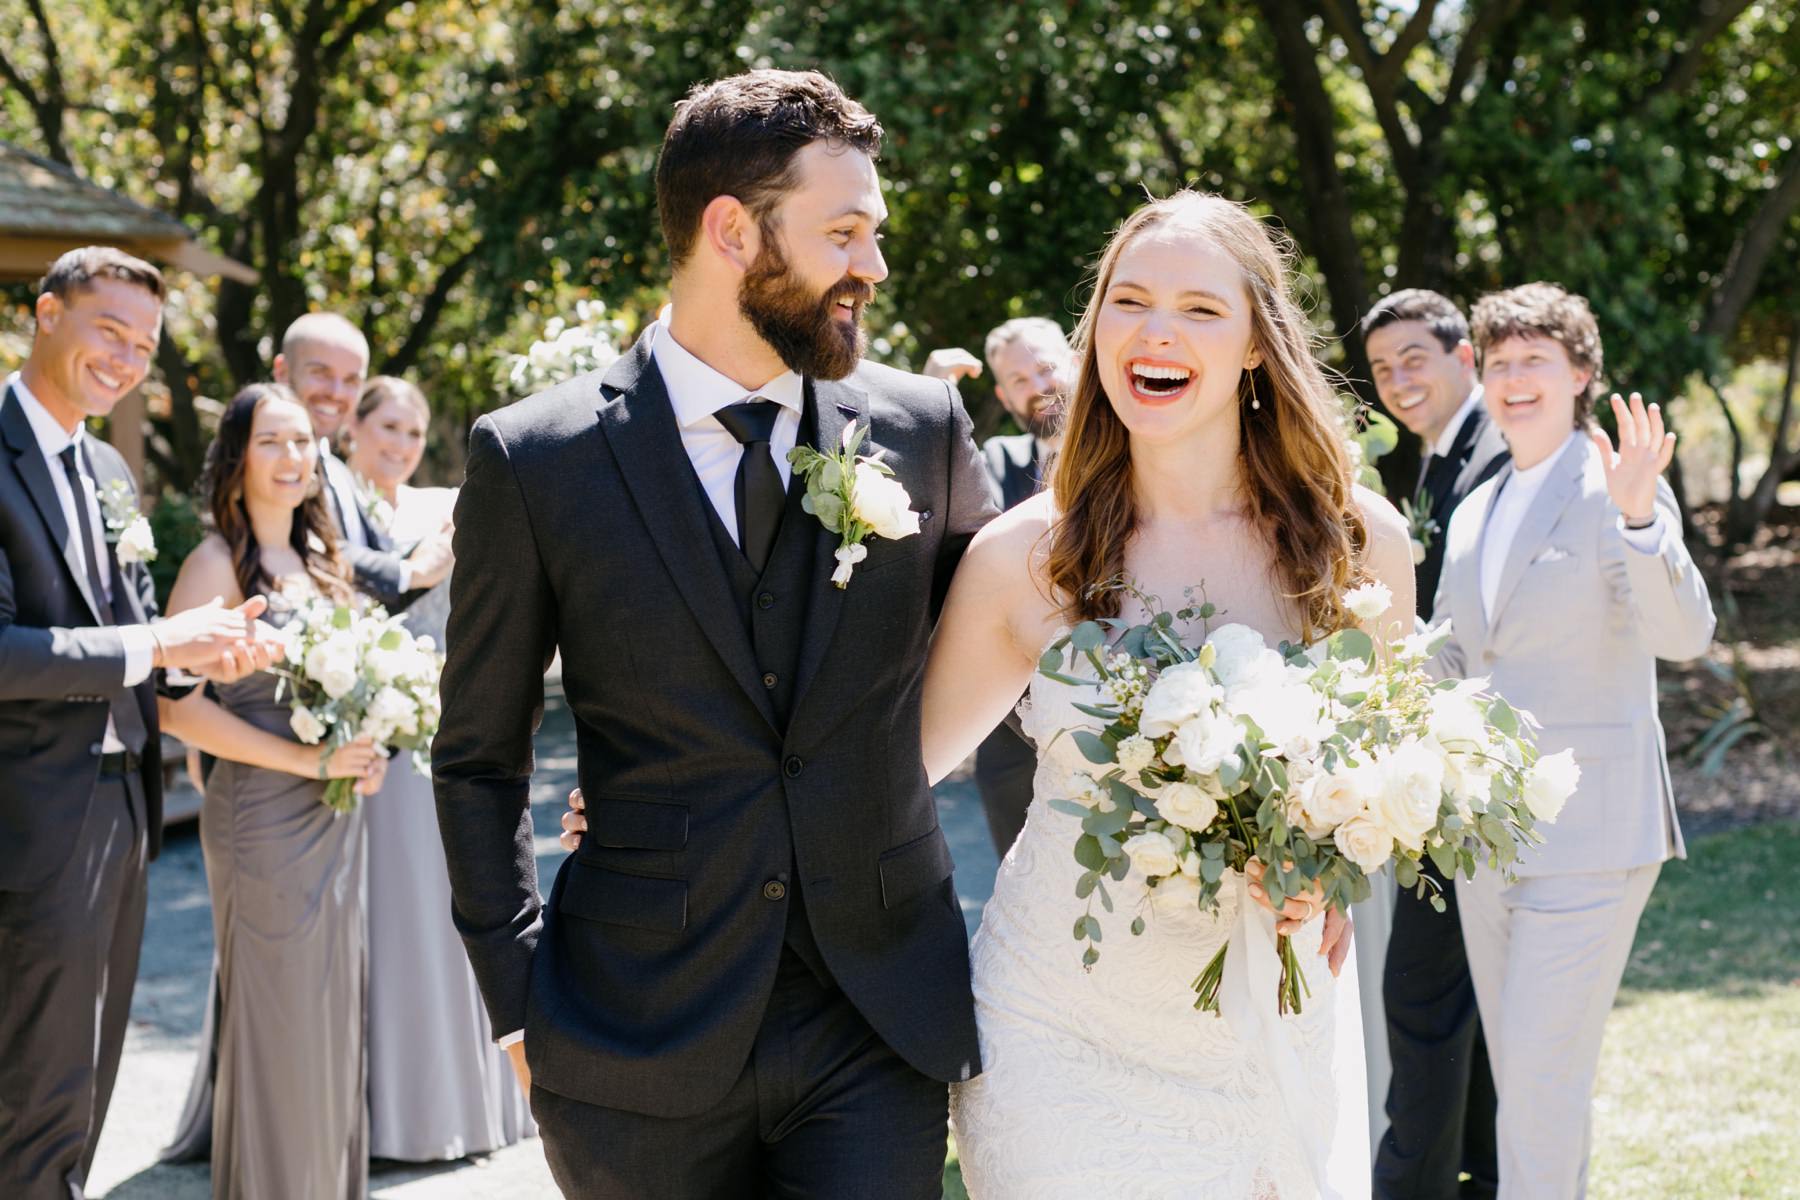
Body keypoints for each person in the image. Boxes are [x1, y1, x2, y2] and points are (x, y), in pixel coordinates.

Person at [433, 69, 998, 1199]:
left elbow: (1021, 652)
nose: (873, 269)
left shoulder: (919, 426)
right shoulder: (535, 458)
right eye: (845, 234)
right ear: (732, 231)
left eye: (874, 234)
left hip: (874, 1018)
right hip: (629, 1032)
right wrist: (516, 1003)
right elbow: (477, 757)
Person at [929, 190, 1409, 1198]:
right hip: (1055, 1032)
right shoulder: (1027, 556)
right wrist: (673, 798)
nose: (1155, 330)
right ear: (1095, 329)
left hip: (1266, 1029)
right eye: (1129, 300)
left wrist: (1334, 868)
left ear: (1253, 345)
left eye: (1199, 308)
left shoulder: (1358, 545)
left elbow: (1380, 781)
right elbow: (883, 778)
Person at [0, 247, 280, 1200]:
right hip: (30, 815)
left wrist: (209, 655)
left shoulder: (112, 468)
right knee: (31, 1084)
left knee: (88, 1076)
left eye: (144, 344)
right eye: (108, 330)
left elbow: (130, 639)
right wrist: (163, 640)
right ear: (46, 313)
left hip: (124, 815)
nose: (126, 358)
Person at [1433, 282, 1714, 1199]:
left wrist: (1640, 520)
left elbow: (1686, 635)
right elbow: (1446, 661)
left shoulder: (1615, 488)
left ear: (1580, 374)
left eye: (1536, 362)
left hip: (1591, 839)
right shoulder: (1475, 509)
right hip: (1484, 837)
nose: (1515, 379)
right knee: (1528, 1081)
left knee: (1542, 1085)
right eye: (1501, 361)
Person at [158, 383, 388, 1198]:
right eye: (271, 442)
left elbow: (356, 689)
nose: (293, 458)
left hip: (335, 817)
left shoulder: (327, 563)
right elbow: (174, 710)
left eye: (303, 443)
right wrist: (310, 766)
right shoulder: (215, 562)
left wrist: (368, 747)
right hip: (260, 820)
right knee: (282, 1023)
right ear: (237, 458)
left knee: (332, 1018)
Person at [345, 375, 536, 1161]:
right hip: (364, 743)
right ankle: (377, 1108)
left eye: (415, 433)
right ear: (355, 427)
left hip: (439, 734)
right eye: (387, 426)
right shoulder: (328, 512)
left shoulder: (445, 508)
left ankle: (458, 1102)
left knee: (449, 913)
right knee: (380, 926)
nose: (400, 444)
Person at [1362, 289, 1506, 1198]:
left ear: (1465, 354)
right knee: (1457, 1000)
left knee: (1422, 995)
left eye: (1414, 356)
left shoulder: (1498, 455)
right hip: (1449, 766)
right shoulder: (1434, 463)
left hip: (1474, 768)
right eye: (1382, 369)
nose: (1398, 379)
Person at [924, 317, 1074, 854]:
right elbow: (933, 528)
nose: (1036, 386)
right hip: (1014, 748)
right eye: (1017, 380)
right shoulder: (996, 462)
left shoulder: (1140, 448)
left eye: (1044, 367)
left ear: (1076, 355)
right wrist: (932, 396)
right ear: (1002, 394)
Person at [272, 312, 453, 611]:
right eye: (321, 373)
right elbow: (307, 545)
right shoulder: (263, 457)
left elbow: (373, 574)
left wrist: (438, 553)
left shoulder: (339, 473)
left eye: (351, 380)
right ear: (282, 371)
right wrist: (410, 572)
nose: (336, 393)